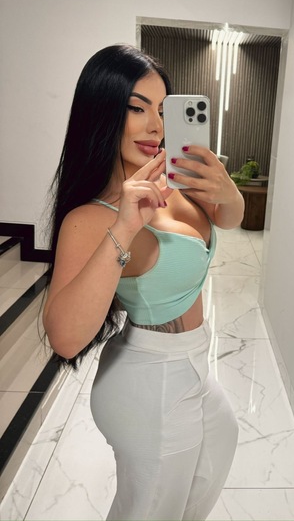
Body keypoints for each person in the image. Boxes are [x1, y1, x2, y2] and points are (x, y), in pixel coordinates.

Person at [43, 44, 244, 520]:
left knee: (215, 454)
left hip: (193, 366)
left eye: (161, 109)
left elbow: (229, 218)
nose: (156, 126)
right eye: (137, 108)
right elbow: (65, 339)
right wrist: (125, 227)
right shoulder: (92, 217)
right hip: (151, 381)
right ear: (102, 112)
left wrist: (228, 190)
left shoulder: (176, 181)